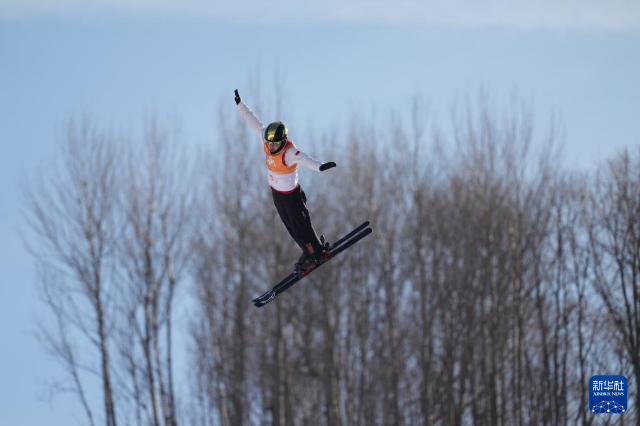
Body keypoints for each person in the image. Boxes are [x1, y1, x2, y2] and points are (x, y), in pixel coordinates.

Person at [234, 89, 336, 275]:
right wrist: (241, 106)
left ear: (282, 141)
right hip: (277, 194)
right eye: (269, 143)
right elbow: (254, 123)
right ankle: (309, 251)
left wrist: (320, 167)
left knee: (301, 226)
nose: (270, 146)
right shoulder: (267, 141)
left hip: (292, 197)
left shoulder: (289, 153)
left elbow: (306, 159)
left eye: (274, 144)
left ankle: (317, 253)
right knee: (291, 228)